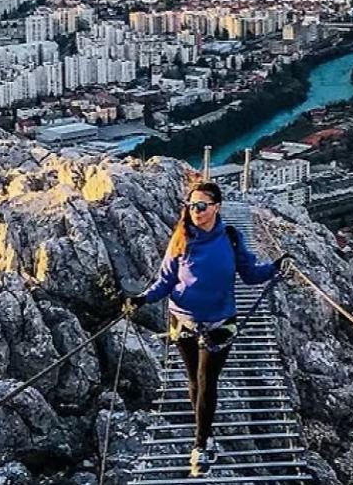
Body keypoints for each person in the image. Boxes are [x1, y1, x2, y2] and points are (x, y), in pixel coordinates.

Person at [124, 182, 293, 477]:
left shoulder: (231, 237)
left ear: (217, 207)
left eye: (201, 206)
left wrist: (275, 267)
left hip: (219, 321)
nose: (196, 211)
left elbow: (250, 275)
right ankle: (204, 433)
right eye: (191, 206)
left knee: (206, 380)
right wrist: (141, 299)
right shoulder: (181, 237)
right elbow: (166, 280)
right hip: (183, 320)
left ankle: (201, 444)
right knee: (194, 380)